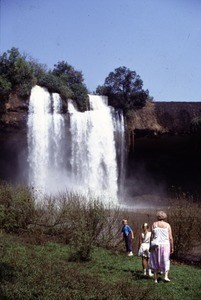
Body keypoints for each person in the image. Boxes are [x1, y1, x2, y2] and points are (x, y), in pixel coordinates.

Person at [149, 211, 174, 283]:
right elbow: (170, 237)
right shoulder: (167, 225)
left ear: (158, 217)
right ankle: (166, 276)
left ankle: (155, 279)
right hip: (165, 245)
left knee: (155, 260)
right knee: (166, 260)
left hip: (156, 245)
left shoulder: (154, 224)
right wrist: (172, 247)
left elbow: (152, 236)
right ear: (164, 217)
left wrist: (151, 245)